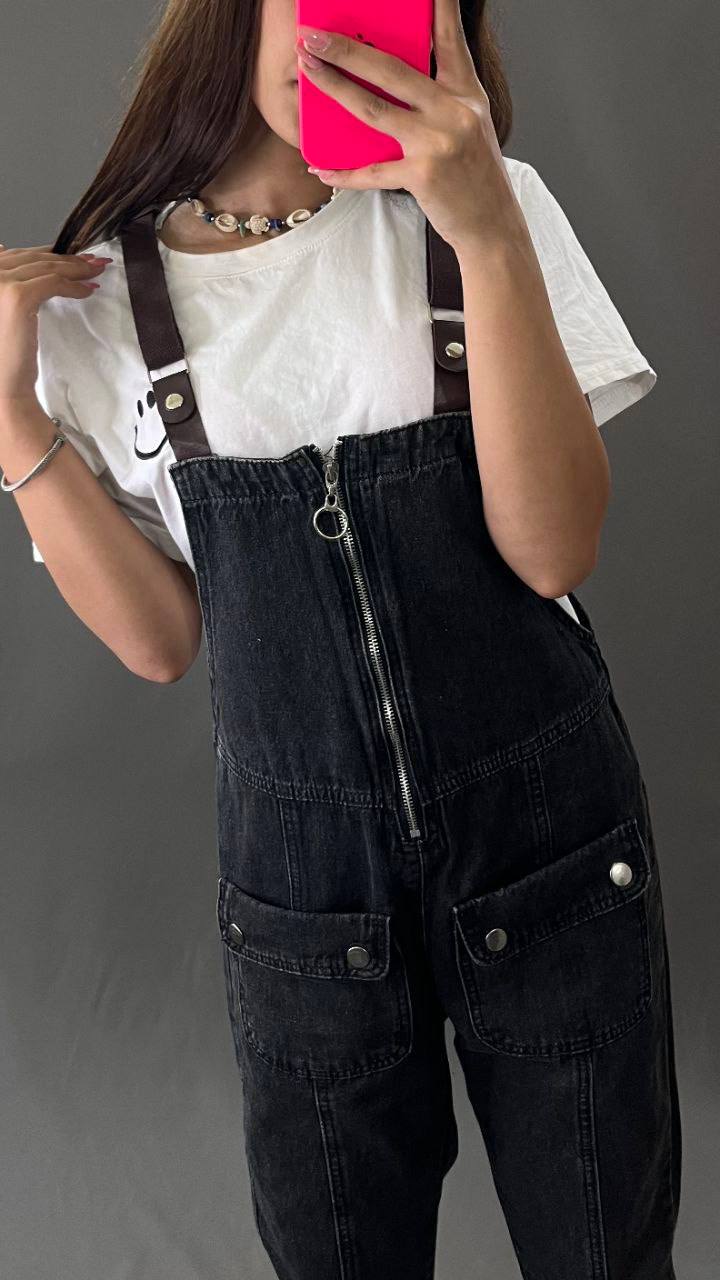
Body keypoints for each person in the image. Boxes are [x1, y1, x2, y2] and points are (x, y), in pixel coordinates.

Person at [0, 0, 681, 1276]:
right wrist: (8, 417)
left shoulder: (488, 209)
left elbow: (554, 552)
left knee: (606, 1251)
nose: (347, 36)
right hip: (306, 903)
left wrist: (484, 230)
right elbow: (158, 640)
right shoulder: (104, 305)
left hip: (549, 848)